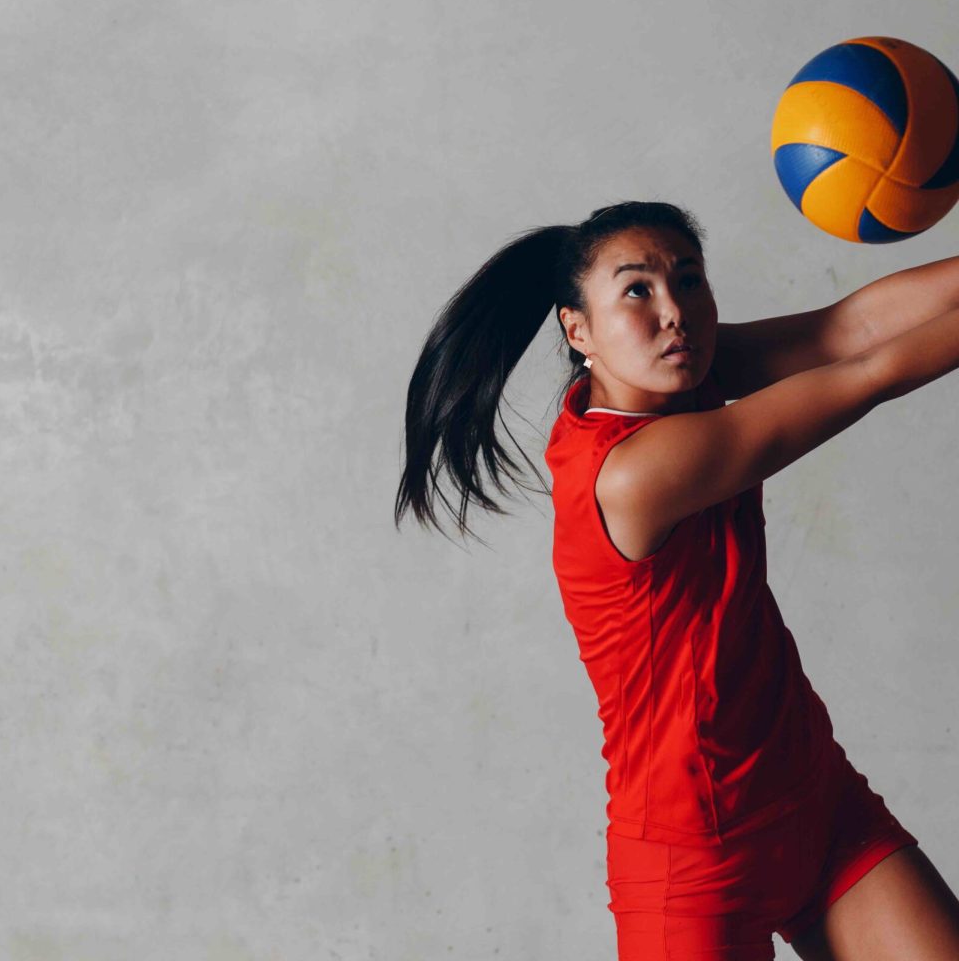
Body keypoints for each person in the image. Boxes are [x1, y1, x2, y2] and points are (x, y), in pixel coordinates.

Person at [394, 200, 959, 960]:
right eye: (637, 291)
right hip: (692, 863)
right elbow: (867, 373)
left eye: (688, 281)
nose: (675, 314)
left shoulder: (682, 378)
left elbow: (848, 329)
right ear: (577, 330)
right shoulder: (632, 474)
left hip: (816, 802)